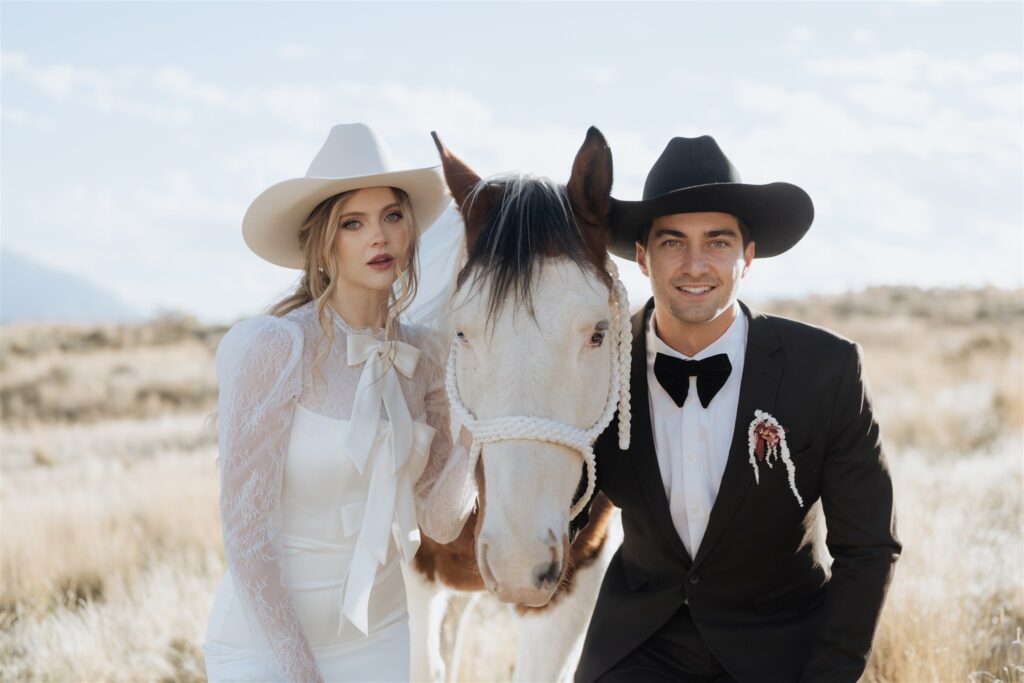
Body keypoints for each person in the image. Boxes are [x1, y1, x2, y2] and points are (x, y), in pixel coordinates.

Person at [574, 135, 901, 683]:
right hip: (640, 646)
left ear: (747, 256)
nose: (696, 264)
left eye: (718, 242)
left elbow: (868, 546)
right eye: (673, 242)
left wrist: (831, 672)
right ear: (641, 255)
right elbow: (559, 511)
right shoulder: (596, 364)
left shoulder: (827, 370)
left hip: (782, 648)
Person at [202, 123, 477, 682]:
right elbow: (246, 534)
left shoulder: (425, 354)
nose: (379, 237)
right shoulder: (276, 348)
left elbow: (442, 524)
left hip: (380, 636)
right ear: (324, 242)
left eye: (392, 217)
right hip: (266, 643)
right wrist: (299, 671)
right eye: (354, 223)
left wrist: (475, 425)